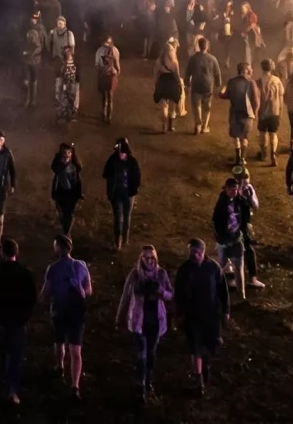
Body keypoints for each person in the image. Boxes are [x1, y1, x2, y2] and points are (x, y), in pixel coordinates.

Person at [118, 245, 174, 403]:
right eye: (146, 257)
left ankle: (148, 379)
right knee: (141, 354)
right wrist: (120, 316)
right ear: (141, 259)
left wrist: (160, 291)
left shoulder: (161, 274)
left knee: (151, 354)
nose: (149, 261)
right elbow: (125, 295)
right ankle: (141, 385)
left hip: (156, 321)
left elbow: (170, 294)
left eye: (152, 258)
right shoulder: (135, 274)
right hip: (139, 321)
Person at [0, 238, 37, 405]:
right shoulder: (25, 273)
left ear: (2, 253)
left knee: (2, 351)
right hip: (18, 321)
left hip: (0, 320)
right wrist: (25, 316)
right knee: (16, 356)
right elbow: (31, 298)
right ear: (16, 253)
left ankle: (3, 382)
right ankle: (13, 391)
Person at [174, 239, 229, 396]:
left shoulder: (213, 268)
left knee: (209, 345)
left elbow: (223, 291)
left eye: (197, 252)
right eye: (192, 252)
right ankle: (198, 381)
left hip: (211, 316)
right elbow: (178, 293)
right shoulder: (184, 270)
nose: (194, 255)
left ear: (203, 252)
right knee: (195, 346)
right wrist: (177, 313)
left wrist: (225, 311)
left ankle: (204, 367)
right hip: (192, 316)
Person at [41, 234, 93, 399]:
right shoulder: (81, 265)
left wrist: (45, 299)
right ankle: (75, 385)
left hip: (59, 310)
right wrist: (80, 293)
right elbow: (88, 289)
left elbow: (46, 293)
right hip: (76, 312)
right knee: (76, 349)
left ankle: (60, 366)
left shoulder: (53, 268)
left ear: (59, 248)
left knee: (59, 341)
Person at [211, 174, 255, 297]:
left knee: (239, 266)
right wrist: (221, 239)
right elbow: (216, 222)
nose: (234, 192)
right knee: (220, 265)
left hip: (236, 238)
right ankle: (211, 289)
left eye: (236, 189)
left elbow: (247, 210)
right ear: (226, 189)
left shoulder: (239, 200)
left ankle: (242, 295)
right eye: (231, 189)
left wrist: (248, 197)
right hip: (224, 241)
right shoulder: (221, 203)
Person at [103, 138, 142, 251]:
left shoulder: (132, 162)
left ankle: (126, 239)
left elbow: (137, 177)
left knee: (127, 216)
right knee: (118, 218)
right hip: (116, 194)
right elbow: (106, 174)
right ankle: (118, 241)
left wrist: (134, 188)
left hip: (129, 194)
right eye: (119, 152)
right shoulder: (112, 160)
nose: (121, 154)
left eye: (123, 152)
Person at [222, 61, 260, 164]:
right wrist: (255, 114)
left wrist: (222, 91)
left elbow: (226, 95)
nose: (251, 70)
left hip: (234, 112)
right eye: (250, 68)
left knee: (236, 135)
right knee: (245, 136)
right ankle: (242, 158)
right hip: (247, 114)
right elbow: (256, 101)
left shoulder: (231, 82)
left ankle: (238, 157)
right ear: (245, 70)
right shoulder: (251, 83)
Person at [184, 36, 222, 134]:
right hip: (208, 85)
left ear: (198, 45)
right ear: (207, 46)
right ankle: (205, 126)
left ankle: (198, 124)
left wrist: (186, 84)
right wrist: (218, 85)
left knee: (196, 105)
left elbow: (188, 72)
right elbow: (217, 73)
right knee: (207, 106)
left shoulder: (193, 58)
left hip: (196, 84)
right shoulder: (213, 59)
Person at [50, 142, 85, 236]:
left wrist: (79, 193)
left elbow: (77, 180)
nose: (67, 155)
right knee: (62, 213)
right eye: (65, 153)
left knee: (69, 214)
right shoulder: (58, 164)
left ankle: (67, 233)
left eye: (69, 152)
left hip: (72, 193)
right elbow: (55, 170)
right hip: (61, 192)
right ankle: (65, 230)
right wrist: (63, 163)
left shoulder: (74, 165)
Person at [257, 58, 285, 164]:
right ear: (271, 67)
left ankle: (263, 153)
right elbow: (281, 97)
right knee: (273, 133)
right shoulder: (277, 80)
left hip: (262, 111)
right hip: (275, 111)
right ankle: (273, 155)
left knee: (262, 133)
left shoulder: (259, 81)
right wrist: (280, 109)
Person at [154, 42, 185, 133]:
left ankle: (164, 125)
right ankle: (170, 126)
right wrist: (180, 85)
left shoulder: (159, 62)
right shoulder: (175, 62)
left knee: (164, 106)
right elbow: (177, 75)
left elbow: (156, 75)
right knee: (172, 106)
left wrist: (156, 84)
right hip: (172, 83)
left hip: (163, 83)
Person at [21, 11, 48, 106]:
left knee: (34, 79)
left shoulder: (40, 29)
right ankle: (29, 100)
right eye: (32, 18)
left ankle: (33, 100)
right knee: (29, 79)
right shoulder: (30, 28)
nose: (33, 20)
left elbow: (42, 44)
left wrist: (34, 54)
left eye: (35, 19)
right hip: (29, 57)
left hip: (35, 58)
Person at [94, 35, 122, 122]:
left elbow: (97, 64)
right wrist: (117, 71)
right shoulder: (115, 50)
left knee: (104, 96)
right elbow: (117, 64)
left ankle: (104, 113)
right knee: (110, 96)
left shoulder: (99, 50)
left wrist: (102, 69)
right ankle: (109, 116)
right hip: (111, 75)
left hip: (103, 75)